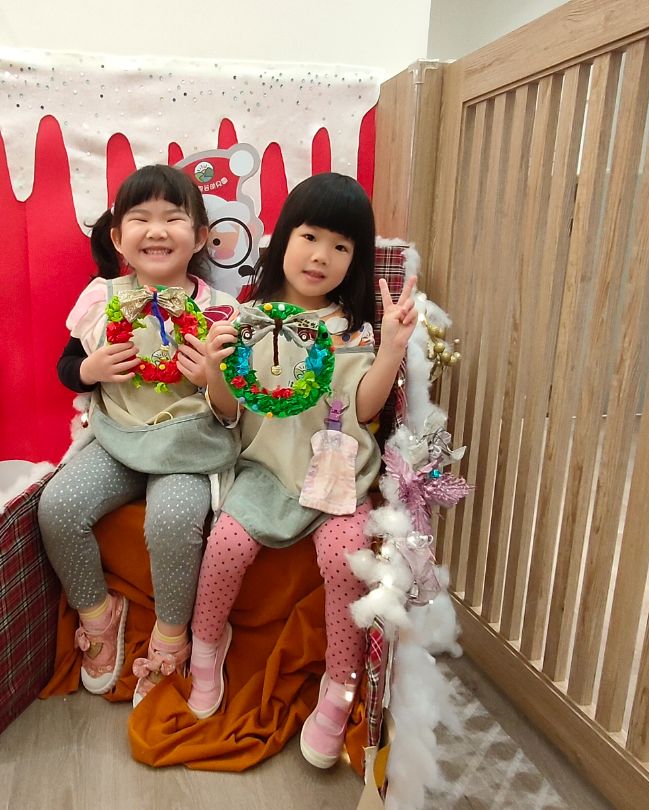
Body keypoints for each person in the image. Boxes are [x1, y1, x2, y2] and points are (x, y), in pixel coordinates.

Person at [187, 173, 417, 767]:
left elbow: (363, 408)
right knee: (226, 545)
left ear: (354, 260)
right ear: (284, 237)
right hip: (265, 470)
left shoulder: (351, 328)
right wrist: (214, 372)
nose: (321, 256)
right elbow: (227, 414)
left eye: (341, 246)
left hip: (338, 476)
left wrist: (391, 349)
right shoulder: (245, 320)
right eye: (310, 237)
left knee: (345, 559)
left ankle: (339, 688)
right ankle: (205, 647)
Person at [38, 165, 240, 706]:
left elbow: (234, 414)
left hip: (188, 447)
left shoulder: (221, 313)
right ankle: (99, 615)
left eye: (173, 218)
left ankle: (172, 635)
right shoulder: (102, 299)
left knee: (172, 520)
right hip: (116, 439)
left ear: (200, 236)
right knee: (57, 507)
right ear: (117, 237)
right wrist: (91, 369)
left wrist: (213, 379)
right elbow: (66, 368)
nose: (156, 230)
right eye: (140, 218)